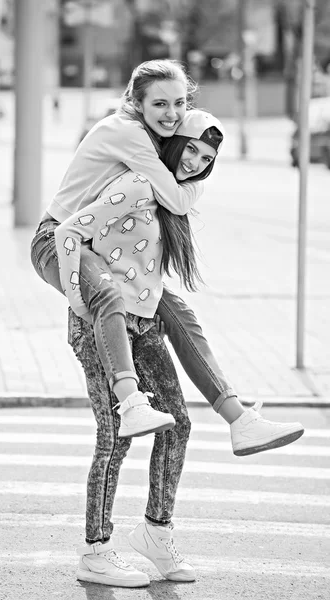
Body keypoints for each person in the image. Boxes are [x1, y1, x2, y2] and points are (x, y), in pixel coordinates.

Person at [31, 59, 304, 457]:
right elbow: (175, 197)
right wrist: (198, 190)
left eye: (179, 103)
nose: (172, 114)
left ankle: (240, 420)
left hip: (90, 245)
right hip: (55, 241)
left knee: (179, 314)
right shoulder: (128, 134)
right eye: (160, 104)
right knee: (106, 296)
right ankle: (131, 403)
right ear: (136, 102)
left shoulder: (152, 140)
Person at [67, 110, 224, 588]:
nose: (195, 162)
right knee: (115, 435)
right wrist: (81, 303)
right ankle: (95, 550)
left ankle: (156, 531)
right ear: (173, 145)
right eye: (191, 149)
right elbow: (70, 231)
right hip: (103, 324)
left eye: (206, 158)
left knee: (177, 422)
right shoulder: (137, 184)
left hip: (146, 323)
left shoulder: (170, 199)